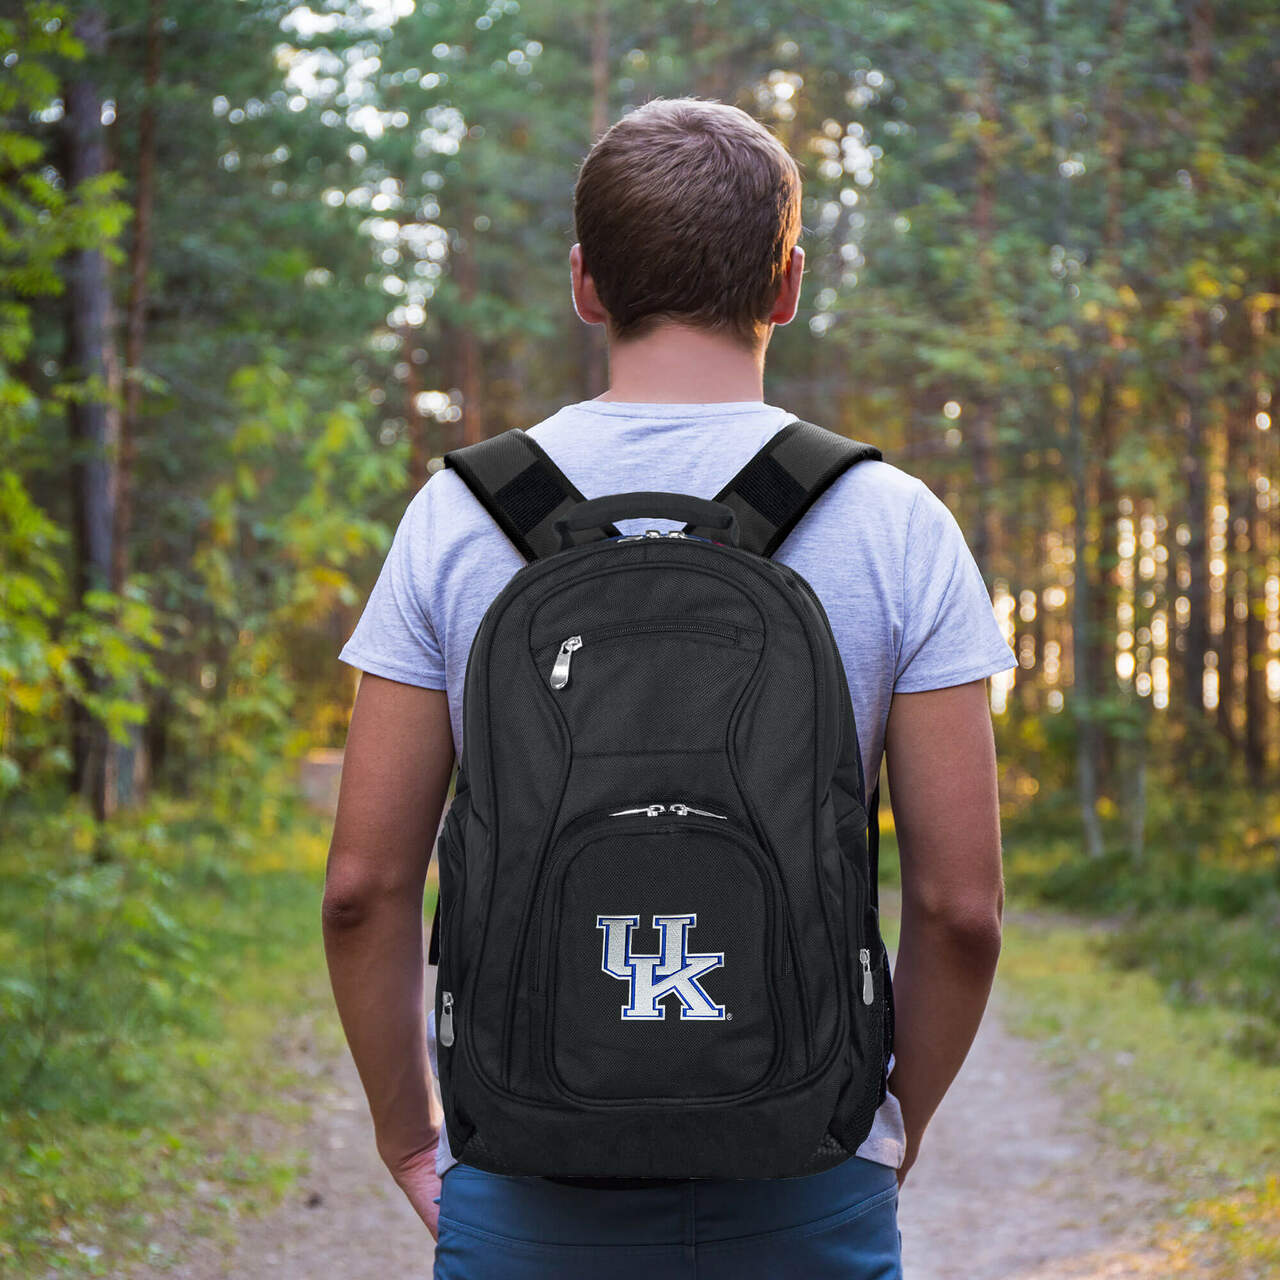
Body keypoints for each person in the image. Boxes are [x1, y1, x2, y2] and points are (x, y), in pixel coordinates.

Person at [324, 96, 1014, 1280]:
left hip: (527, 1176)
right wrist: (876, 1134)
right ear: (786, 284)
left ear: (585, 284)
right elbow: (961, 910)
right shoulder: (893, 523)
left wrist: (410, 1136)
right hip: (804, 1175)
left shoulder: (456, 517)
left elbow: (362, 888)